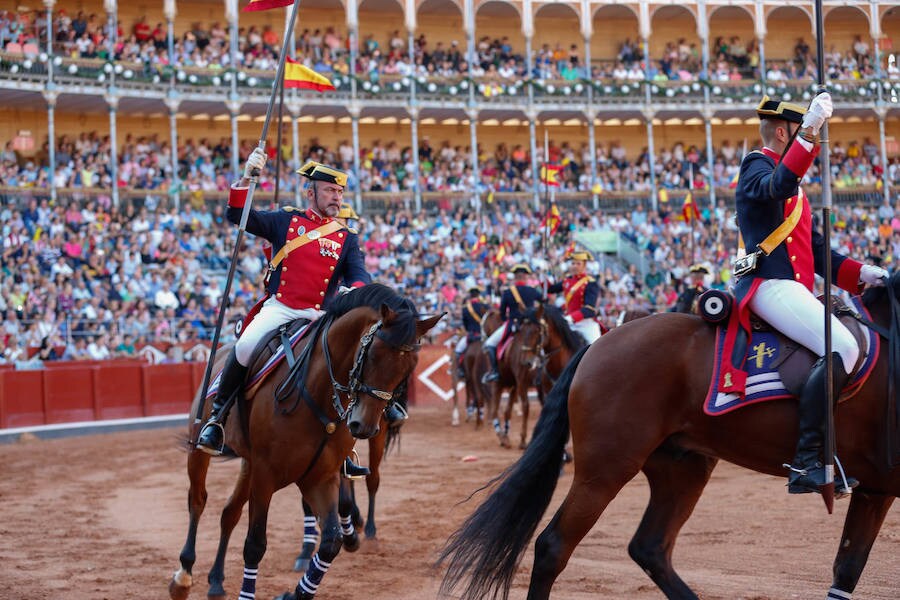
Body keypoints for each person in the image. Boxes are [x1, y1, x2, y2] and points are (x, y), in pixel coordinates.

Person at [734, 93, 888, 496]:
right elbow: (779, 184)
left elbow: (817, 250)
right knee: (843, 348)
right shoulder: (756, 165)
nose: (814, 146)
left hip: (793, 286)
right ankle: (807, 459)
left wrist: (861, 273)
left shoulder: (792, 186)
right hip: (769, 284)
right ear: (785, 131)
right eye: (803, 135)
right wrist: (810, 133)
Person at [196, 153, 382, 477]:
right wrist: (246, 178)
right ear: (310, 193)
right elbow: (238, 215)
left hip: (320, 315)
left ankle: (344, 446)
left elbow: (358, 273)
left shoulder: (346, 238)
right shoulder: (285, 221)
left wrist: (355, 290)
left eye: (339, 193)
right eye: (329, 191)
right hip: (281, 307)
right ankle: (217, 420)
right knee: (243, 347)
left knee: (345, 364)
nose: (336, 197)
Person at [482, 264, 542, 383]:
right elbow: (543, 303)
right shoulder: (532, 291)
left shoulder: (508, 292)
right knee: (543, 344)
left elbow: (503, 313)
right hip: (530, 326)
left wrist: (506, 319)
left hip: (512, 324)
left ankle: (494, 372)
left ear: (515, 278)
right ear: (526, 277)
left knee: (489, 344)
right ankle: (542, 371)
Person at [546, 250, 601, 343]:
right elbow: (550, 289)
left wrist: (571, 318)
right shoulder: (567, 280)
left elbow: (589, 308)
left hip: (585, 324)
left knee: (596, 346)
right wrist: (544, 277)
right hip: (569, 323)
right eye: (573, 263)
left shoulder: (590, 283)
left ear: (584, 266)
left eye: (578, 264)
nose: (574, 266)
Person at [453, 286, 490, 377]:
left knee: (458, 351)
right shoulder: (485, 306)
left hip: (471, 336)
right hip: (484, 336)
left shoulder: (465, 309)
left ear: (470, 296)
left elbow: (465, 325)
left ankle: (459, 370)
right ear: (479, 295)